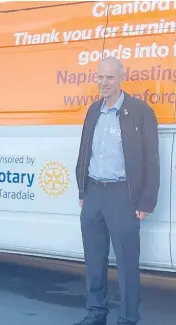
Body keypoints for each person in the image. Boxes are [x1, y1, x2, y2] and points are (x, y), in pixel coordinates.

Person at [74, 56, 160, 325]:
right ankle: (96, 312)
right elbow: (84, 151)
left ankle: (128, 317)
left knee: (126, 261)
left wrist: (146, 200)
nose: (104, 82)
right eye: (100, 77)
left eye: (110, 77)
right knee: (94, 258)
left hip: (122, 194)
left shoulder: (140, 111)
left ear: (122, 78)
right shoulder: (93, 111)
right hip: (94, 193)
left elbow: (151, 159)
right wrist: (82, 190)